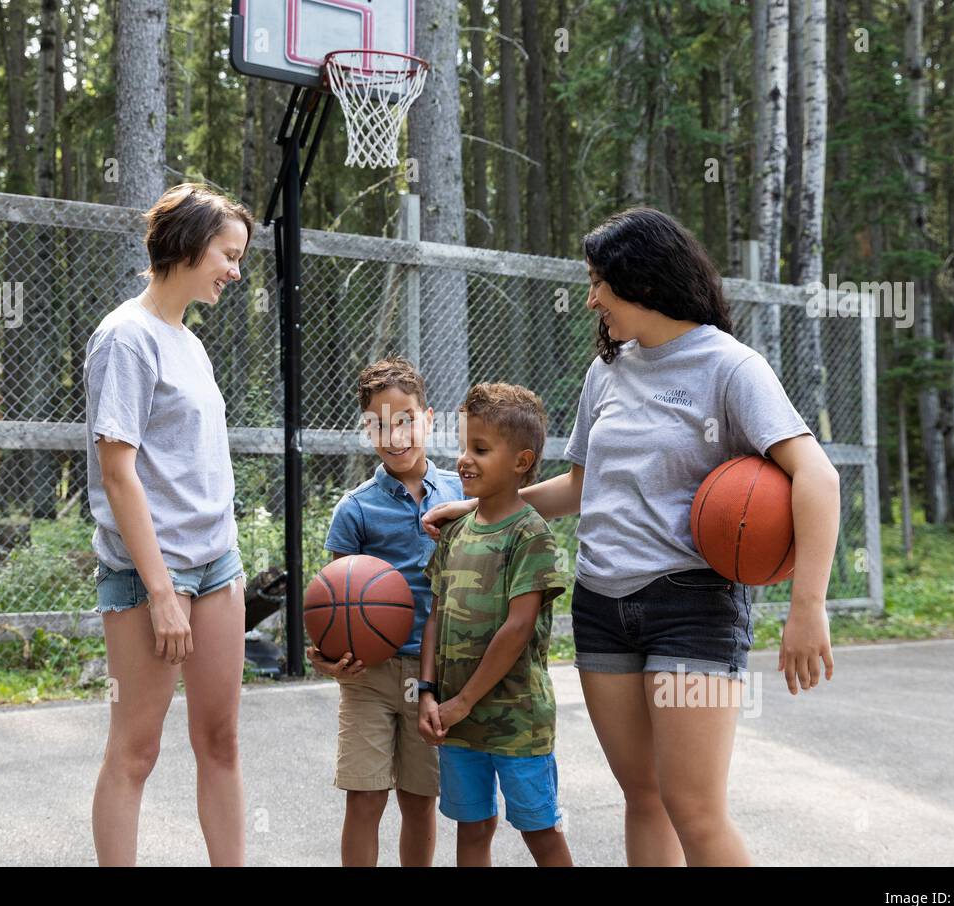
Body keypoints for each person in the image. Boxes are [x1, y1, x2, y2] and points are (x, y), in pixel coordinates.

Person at [423, 207, 840, 866]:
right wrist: (483, 512)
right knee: (643, 798)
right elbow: (581, 489)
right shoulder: (607, 371)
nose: (591, 299)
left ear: (641, 280)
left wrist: (807, 607)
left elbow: (816, 476)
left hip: (692, 609)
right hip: (602, 609)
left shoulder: (729, 367)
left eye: (599, 282)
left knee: (695, 809)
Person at [84, 183, 254, 866]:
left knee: (221, 741)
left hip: (219, 567)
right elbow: (118, 472)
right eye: (228, 254)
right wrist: (160, 592)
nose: (236, 271)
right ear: (188, 245)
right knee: (136, 748)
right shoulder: (125, 338)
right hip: (151, 576)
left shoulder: (188, 340)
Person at [310, 357, 464, 866]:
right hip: (370, 675)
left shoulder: (461, 496)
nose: (394, 436)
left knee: (420, 802)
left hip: (434, 674)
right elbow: (335, 601)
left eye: (405, 421)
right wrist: (327, 655)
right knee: (366, 798)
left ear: (430, 418)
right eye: (378, 424)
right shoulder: (355, 509)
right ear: (365, 429)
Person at [418, 383, 572, 867]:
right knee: (473, 829)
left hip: (516, 723)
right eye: (465, 446)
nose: (464, 460)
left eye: (481, 449)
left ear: (522, 462)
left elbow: (517, 628)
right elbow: (436, 614)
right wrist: (427, 691)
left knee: (539, 830)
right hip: (457, 723)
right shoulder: (456, 532)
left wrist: (463, 701)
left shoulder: (531, 534)